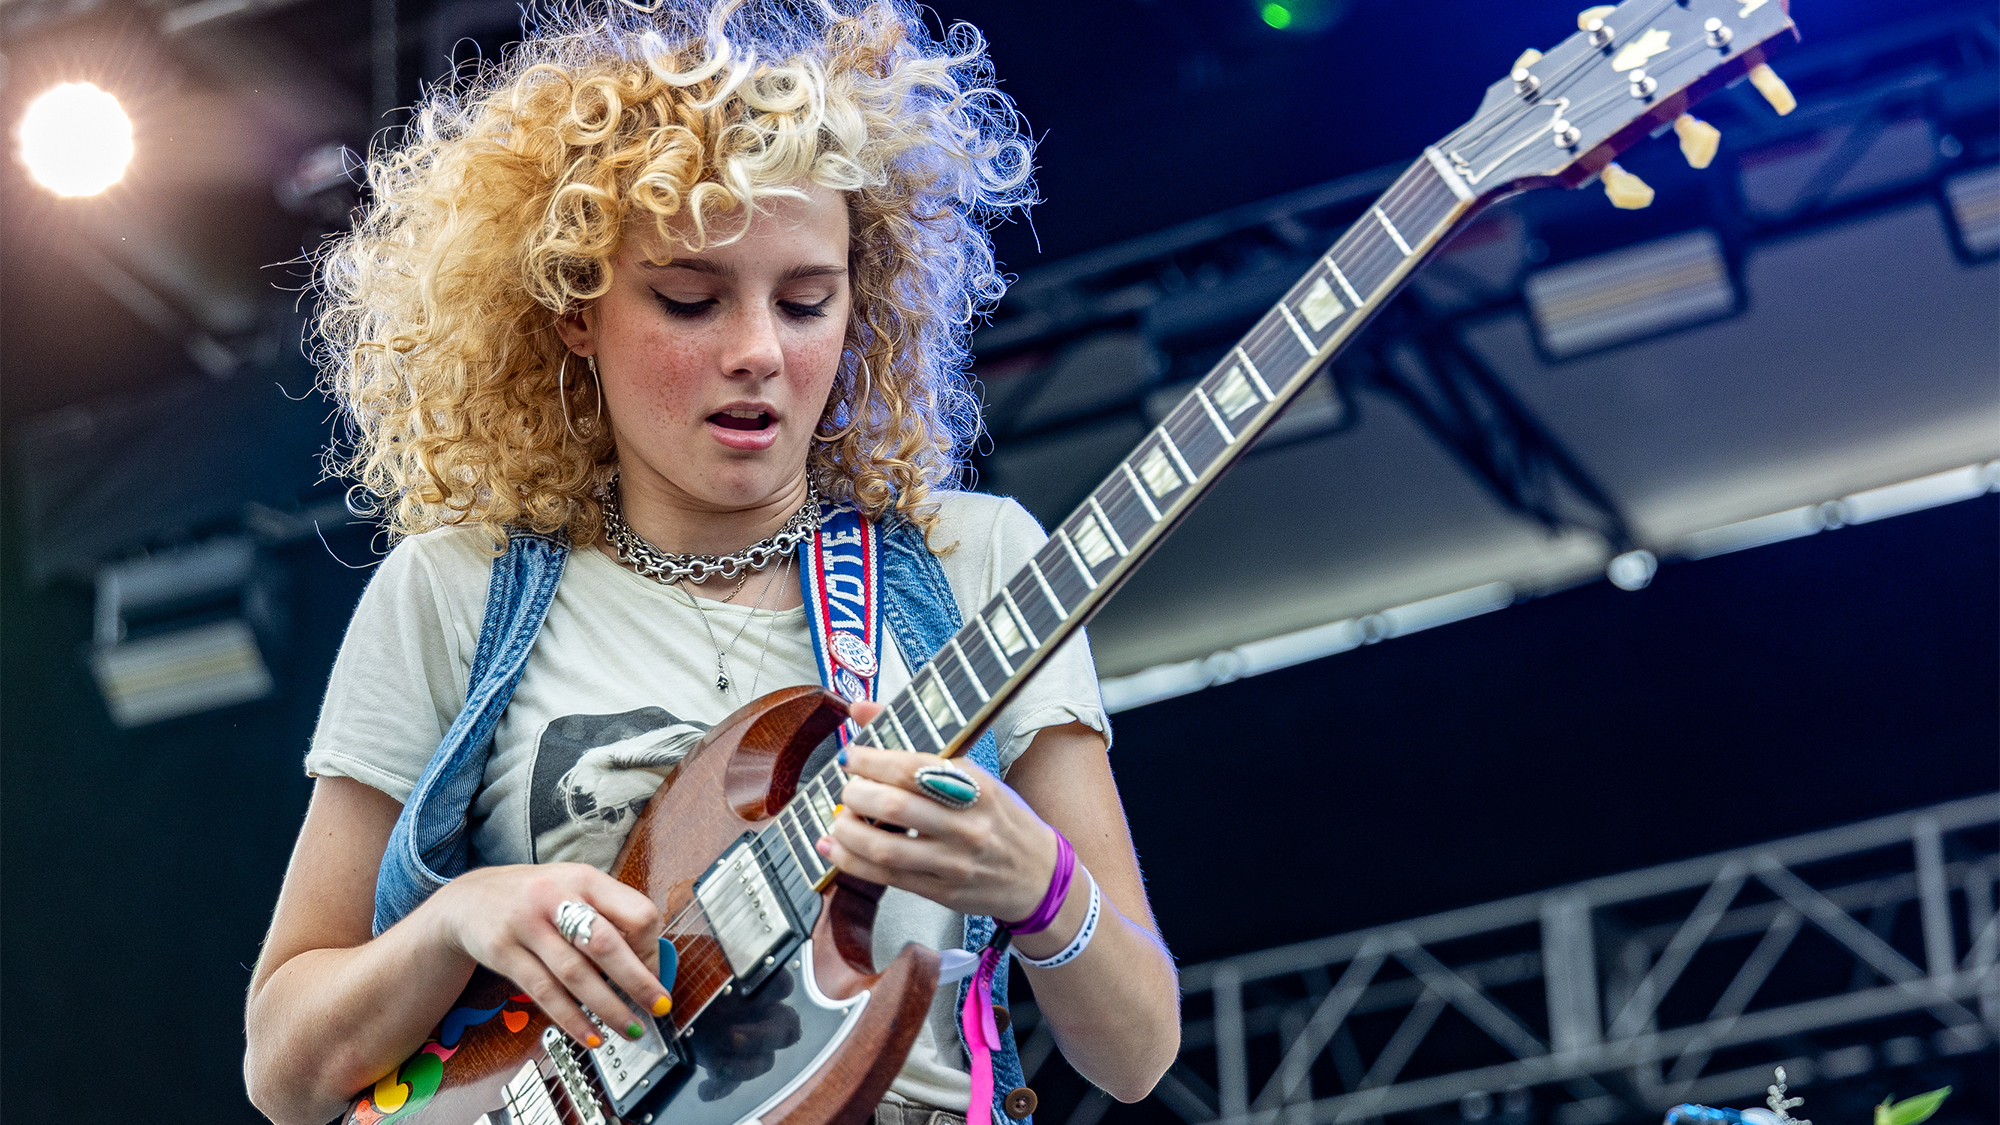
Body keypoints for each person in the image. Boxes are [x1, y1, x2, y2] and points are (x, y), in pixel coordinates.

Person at [242, 3, 1180, 1124]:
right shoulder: (458, 588)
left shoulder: (970, 560)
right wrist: (461, 918)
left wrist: (1039, 884)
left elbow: (1135, 1054)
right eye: (689, 298)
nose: (756, 353)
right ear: (574, 307)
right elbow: (286, 1070)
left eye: (805, 301)